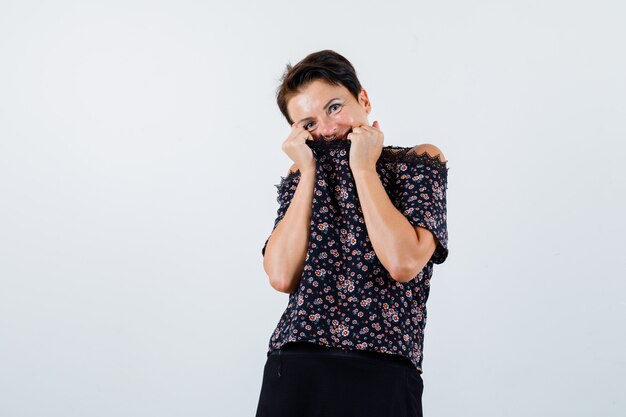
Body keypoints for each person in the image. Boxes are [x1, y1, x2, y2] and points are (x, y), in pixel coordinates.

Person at [255, 50, 449, 417]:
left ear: (363, 98)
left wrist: (363, 168)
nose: (327, 129)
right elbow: (281, 276)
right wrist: (308, 173)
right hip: (296, 367)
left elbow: (403, 262)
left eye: (334, 107)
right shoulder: (302, 179)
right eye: (308, 123)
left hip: (384, 370)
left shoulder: (417, 162)